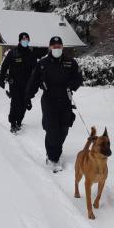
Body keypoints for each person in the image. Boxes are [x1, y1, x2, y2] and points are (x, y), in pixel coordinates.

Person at [25, 36, 83, 173]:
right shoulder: (43, 63)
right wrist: (28, 96)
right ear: (50, 47)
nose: (57, 48)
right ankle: (53, 157)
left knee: (63, 129)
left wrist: (71, 86)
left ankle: (55, 150)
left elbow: (79, 77)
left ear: (62, 47)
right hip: (49, 101)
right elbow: (34, 80)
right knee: (52, 130)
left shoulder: (71, 62)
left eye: (59, 46)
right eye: (54, 46)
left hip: (65, 101)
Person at [0, 32, 38, 133]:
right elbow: (4, 66)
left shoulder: (31, 54)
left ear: (29, 40)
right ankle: (13, 123)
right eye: (23, 39)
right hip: (15, 83)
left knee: (24, 103)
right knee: (15, 103)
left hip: (27, 84)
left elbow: (36, 70)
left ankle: (19, 121)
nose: (25, 41)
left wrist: (37, 83)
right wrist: (1, 80)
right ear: (19, 40)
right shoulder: (13, 53)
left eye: (26, 39)